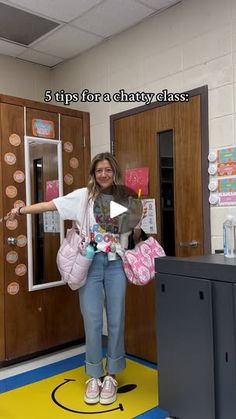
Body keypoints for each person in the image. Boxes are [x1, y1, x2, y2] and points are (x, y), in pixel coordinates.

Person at [8, 152, 142, 405]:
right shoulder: (82, 196)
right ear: (93, 174)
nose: (104, 174)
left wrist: (135, 220)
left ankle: (111, 374)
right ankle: (93, 374)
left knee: (116, 319)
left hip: (115, 265)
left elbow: (132, 232)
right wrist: (22, 210)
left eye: (108, 170)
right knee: (92, 321)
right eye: (99, 170)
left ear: (115, 173)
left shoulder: (123, 197)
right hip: (89, 264)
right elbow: (50, 205)